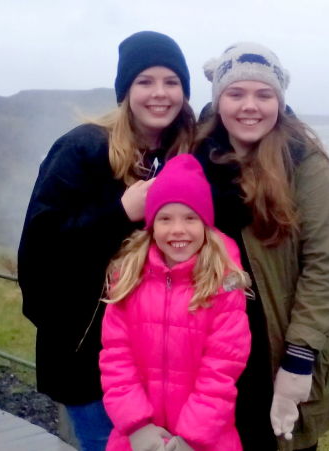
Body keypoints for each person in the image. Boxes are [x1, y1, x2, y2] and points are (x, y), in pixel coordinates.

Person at [17, 30, 196, 451]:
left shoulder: (180, 155)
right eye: (145, 82)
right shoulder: (82, 149)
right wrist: (120, 213)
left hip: (157, 360)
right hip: (88, 360)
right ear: (125, 91)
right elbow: (40, 250)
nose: (160, 94)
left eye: (171, 83)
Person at [195, 42, 329, 451]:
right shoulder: (198, 157)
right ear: (218, 100)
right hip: (212, 360)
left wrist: (298, 362)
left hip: (276, 355)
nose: (251, 106)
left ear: (280, 101)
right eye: (236, 93)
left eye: (264, 95)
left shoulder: (306, 165)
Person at [99, 154, 251, 451]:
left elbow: (221, 370)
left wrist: (191, 438)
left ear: (206, 224)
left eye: (190, 218)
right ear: (151, 225)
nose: (178, 230)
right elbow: (116, 359)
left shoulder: (222, 282)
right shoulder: (128, 277)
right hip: (138, 439)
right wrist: (136, 425)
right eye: (165, 218)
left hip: (205, 440)